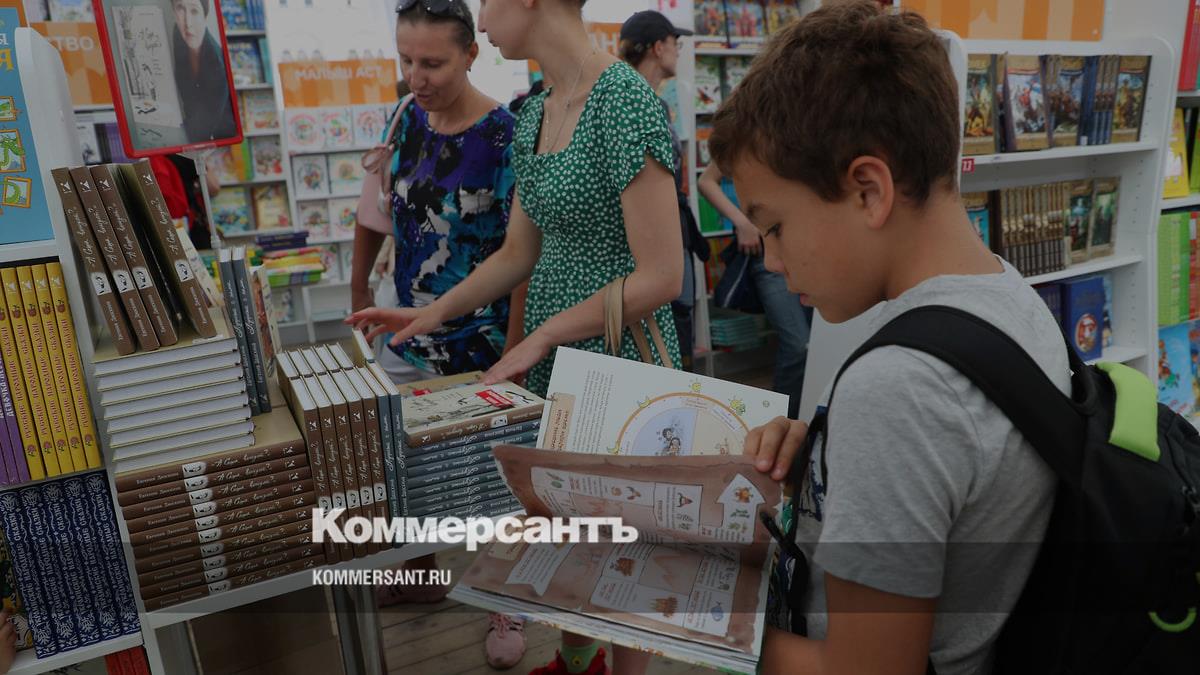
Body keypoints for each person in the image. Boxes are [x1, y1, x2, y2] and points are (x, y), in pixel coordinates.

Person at [714, 2, 1068, 673]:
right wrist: (827, 459)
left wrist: (691, 617)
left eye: (776, 227)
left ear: (869, 191)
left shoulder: (899, 388)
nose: (773, 260)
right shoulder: (1006, 295)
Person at [348, 0, 685, 671]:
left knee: (624, 546)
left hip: (619, 358)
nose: (479, 18)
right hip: (556, 361)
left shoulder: (624, 102)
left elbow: (662, 276)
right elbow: (516, 254)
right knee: (570, 532)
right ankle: (577, 660)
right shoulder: (535, 113)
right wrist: (428, 314)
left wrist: (540, 335)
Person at [346, 1, 526, 669]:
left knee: (493, 475)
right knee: (401, 459)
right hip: (404, 328)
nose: (416, 76)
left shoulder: (508, 137)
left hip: (480, 337)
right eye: (407, 60)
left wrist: (516, 346)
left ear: (471, 54)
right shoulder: (403, 117)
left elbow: (521, 253)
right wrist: (360, 291)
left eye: (433, 63)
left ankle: (506, 598)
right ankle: (419, 569)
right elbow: (374, 213)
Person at [618, 10, 709, 369]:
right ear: (658, 47)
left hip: (671, 235)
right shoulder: (634, 103)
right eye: (675, 43)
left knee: (678, 327)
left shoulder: (654, 102)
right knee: (667, 331)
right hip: (652, 245)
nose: (678, 51)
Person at [699, 163, 811, 417]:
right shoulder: (750, 138)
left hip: (809, 248)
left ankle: (803, 425)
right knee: (798, 345)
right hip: (768, 251)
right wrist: (742, 222)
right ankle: (779, 424)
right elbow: (706, 180)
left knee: (814, 347)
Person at [171, 0, 238, 144]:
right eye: (180, 9)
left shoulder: (218, 65)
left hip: (222, 139)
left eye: (194, 11)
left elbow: (201, 130)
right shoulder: (178, 34)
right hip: (195, 129)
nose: (188, 23)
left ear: (205, 15)